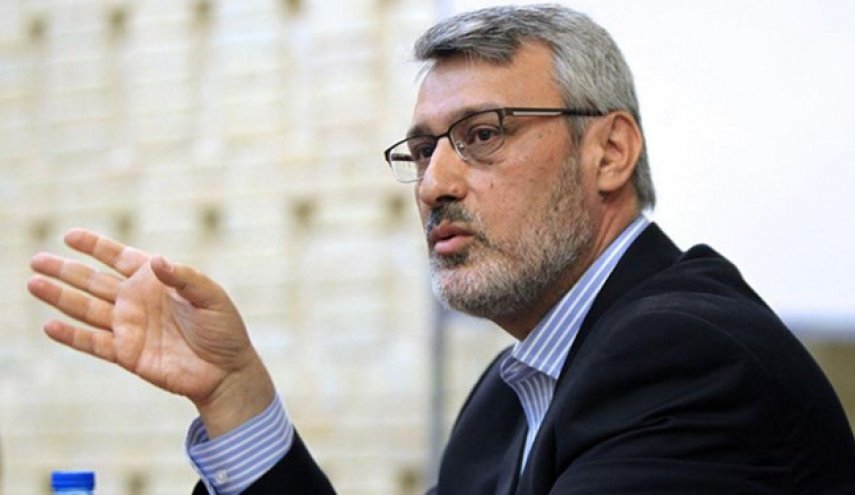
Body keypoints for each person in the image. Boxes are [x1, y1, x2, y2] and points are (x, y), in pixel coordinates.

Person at [26, 4, 855, 494]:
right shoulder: (507, 392)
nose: (434, 184)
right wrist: (235, 393)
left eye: (482, 134)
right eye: (422, 150)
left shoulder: (684, 357)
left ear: (609, 152)